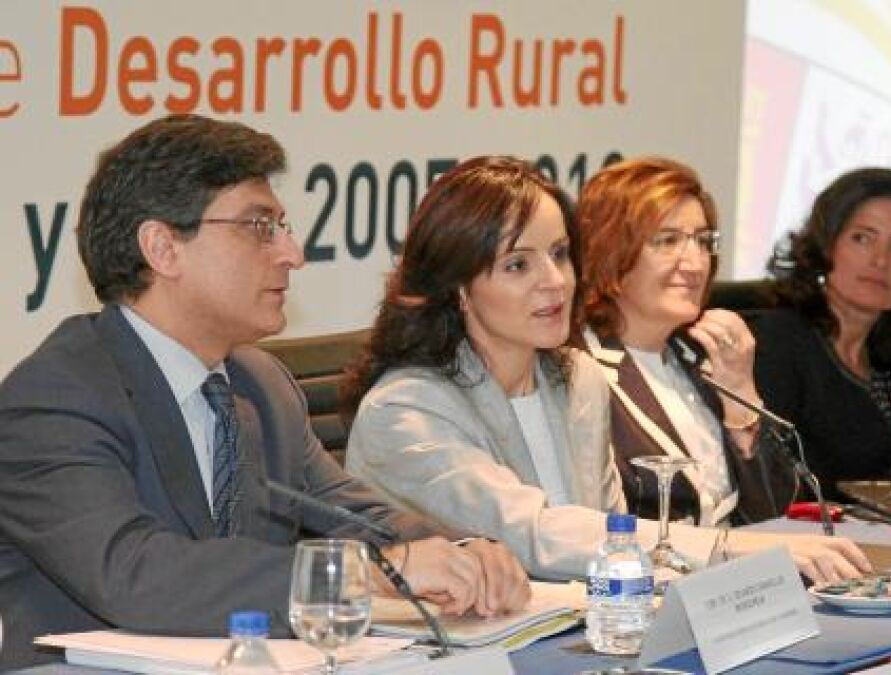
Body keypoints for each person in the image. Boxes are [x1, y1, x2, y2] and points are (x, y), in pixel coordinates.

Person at [0, 115, 528, 669]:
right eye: (259, 227)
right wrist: (366, 574)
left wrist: (463, 553)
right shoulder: (54, 398)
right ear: (162, 248)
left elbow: (354, 514)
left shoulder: (260, 383)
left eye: (282, 226)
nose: (292, 253)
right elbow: (135, 575)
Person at [342, 156, 871, 582]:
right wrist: (731, 550)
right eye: (518, 264)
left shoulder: (577, 379)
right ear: (458, 288)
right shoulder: (405, 409)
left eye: (559, 254)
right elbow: (533, 533)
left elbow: (615, 535)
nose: (555, 281)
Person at [577, 157, 796, 527]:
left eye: (703, 241)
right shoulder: (576, 369)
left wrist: (740, 397)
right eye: (668, 241)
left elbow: (774, 513)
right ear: (609, 250)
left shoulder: (700, 358)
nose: (695, 263)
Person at [753, 167, 891, 501]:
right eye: (862, 239)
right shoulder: (779, 343)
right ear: (826, 247)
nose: (880, 261)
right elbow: (769, 481)